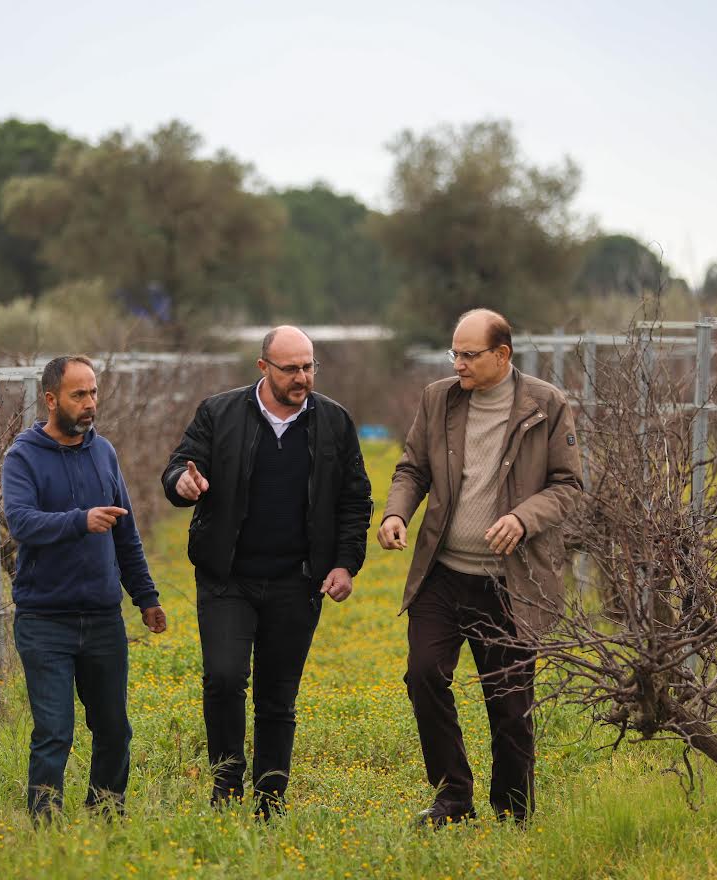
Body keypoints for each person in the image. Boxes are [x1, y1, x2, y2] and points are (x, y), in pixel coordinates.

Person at [377, 308, 582, 826]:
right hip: (443, 575)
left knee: (510, 705)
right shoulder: (438, 399)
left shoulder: (548, 405)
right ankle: (453, 798)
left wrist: (523, 516)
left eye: (469, 355)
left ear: (502, 355)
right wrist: (397, 512)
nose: (459, 364)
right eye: (455, 353)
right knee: (423, 675)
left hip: (510, 583)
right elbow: (412, 467)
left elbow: (568, 487)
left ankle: (514, 809)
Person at [162, 325, 373, 817]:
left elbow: (354, 498)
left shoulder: (334, 423)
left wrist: (344, 563)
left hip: (296, 581)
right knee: (223, 678)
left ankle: (270, 800)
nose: (302, 377)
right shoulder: (220, 412)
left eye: (309, 366)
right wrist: (183, 485)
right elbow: (176, 470)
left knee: (278, 697)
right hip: (227, 577)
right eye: (291, 368)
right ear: (263, 368)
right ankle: (226, 787)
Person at [3, 355, 168, 822]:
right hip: (44, 619)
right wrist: (80, 521)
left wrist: (147, 597)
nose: (90, 403)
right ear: (51, 399)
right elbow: (20, 522)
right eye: (79, 395)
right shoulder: (23, 457)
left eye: (93, 392)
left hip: (102, 619)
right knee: (54, 731)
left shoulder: (104, 453)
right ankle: (45, 826)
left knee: (114, 729)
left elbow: (126, 533)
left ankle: (106, 817)